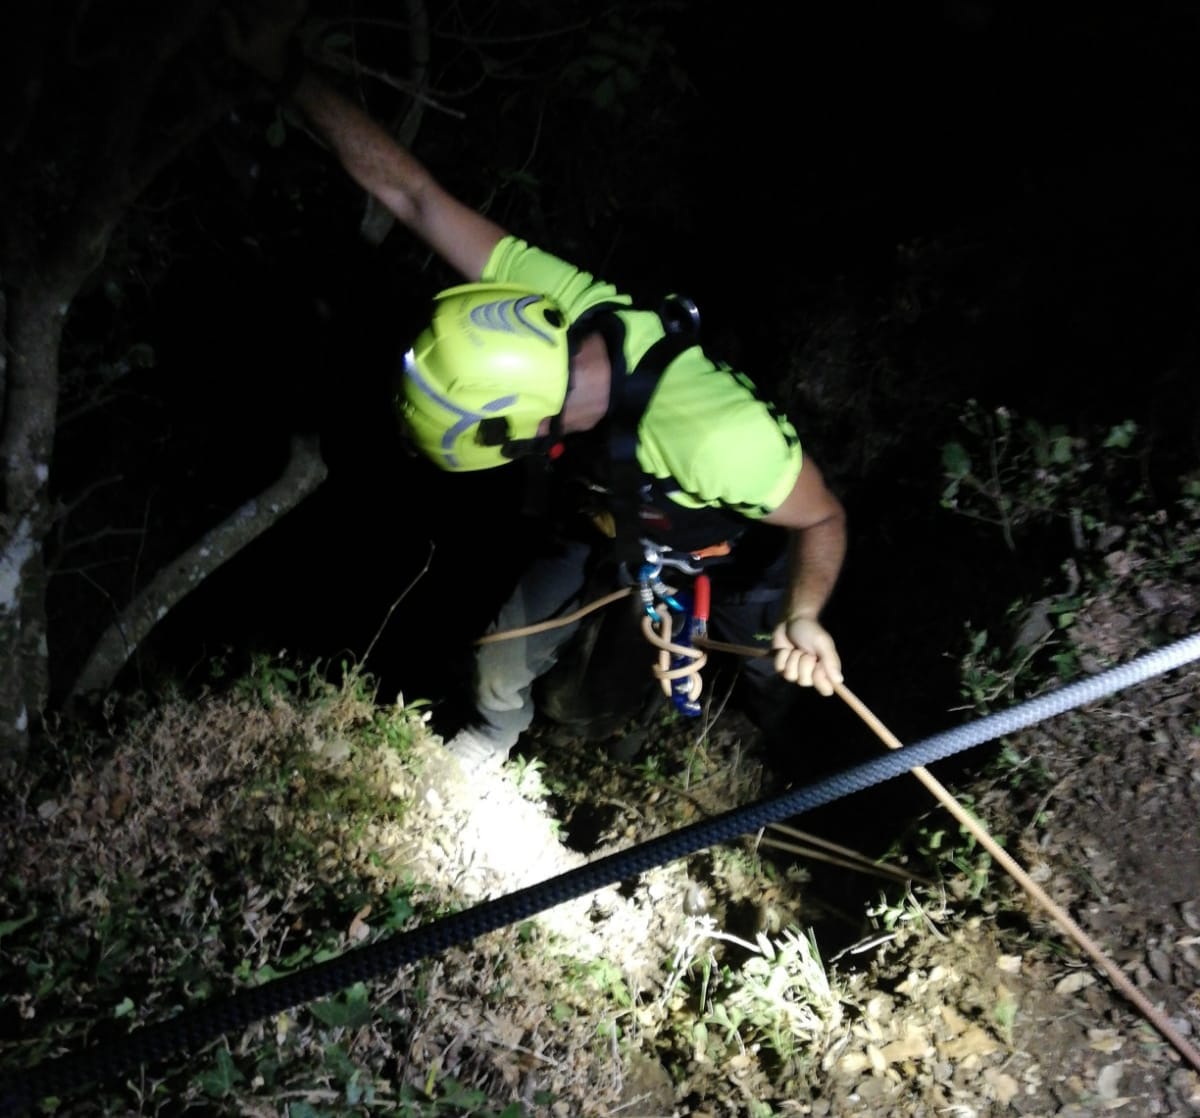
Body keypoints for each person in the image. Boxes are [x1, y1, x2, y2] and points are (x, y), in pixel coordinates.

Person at [224, 10, 848, 773]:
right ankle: (492, 739)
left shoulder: (720, 437)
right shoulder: (549, 304)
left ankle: (770, 749)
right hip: (608, 520)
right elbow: (412, 195)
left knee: (766, 661)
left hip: (732, 543)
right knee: (504, 664)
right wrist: (285, 74)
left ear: (528, 424)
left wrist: (807, 615)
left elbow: (819, 516)